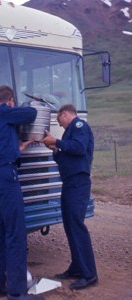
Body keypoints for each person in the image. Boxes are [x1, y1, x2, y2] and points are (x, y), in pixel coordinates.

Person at [0, 85, 45, 300]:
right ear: (9, 101)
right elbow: (31, 114)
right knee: (16, 233)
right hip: (6, 179)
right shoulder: (1, 111)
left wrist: (19, 148)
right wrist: (34, 103)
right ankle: (17, 293)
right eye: (13, 103)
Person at [40, 104, 98, 290]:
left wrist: (57, 141)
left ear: (64, 114)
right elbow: (67, 156)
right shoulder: (68, 133)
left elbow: (79, 148)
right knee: (70, 226)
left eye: (59, 120)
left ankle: (89, 274)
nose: (60, 124)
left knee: (77, 227)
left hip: (78, 183)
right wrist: (56, 150)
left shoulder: (80, 126)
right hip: (69, 183)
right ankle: (76, 267)